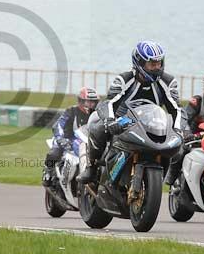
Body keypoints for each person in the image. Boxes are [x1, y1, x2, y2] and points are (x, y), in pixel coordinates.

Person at [77, 41, 184, 184]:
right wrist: (110, 121)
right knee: (97, 128)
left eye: (159, 63)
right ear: (139, 63)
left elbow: (176, 108)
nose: (156, 67)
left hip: (152, 122)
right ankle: (91, 167)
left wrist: (178, 129)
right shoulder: (124, 79)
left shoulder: (168, 81)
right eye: (152, 64)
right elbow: (109, 102)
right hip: (124, 119)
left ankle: (167, 177)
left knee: (176, 145)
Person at [42, 87, 100, 187]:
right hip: (67, 138)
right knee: (55, 153)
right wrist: (60, 138)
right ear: (81, 101)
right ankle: (47, 172)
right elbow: (58, 125)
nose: (90, 105)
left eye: (93, 102)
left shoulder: (97, 114)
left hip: (86, 140)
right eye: (88, 102)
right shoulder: (71, 111)